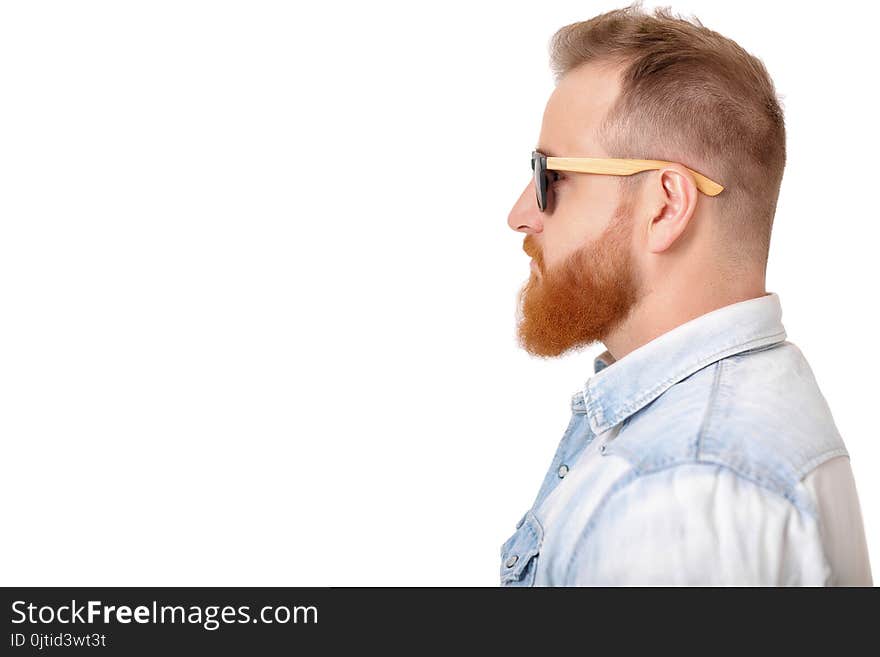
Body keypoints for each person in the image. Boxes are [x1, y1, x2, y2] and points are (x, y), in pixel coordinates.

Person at [502, 2, 872, 586]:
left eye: (550, 176)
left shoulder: (677, 491)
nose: (520, 215)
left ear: (667, 205)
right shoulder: (730, 411)